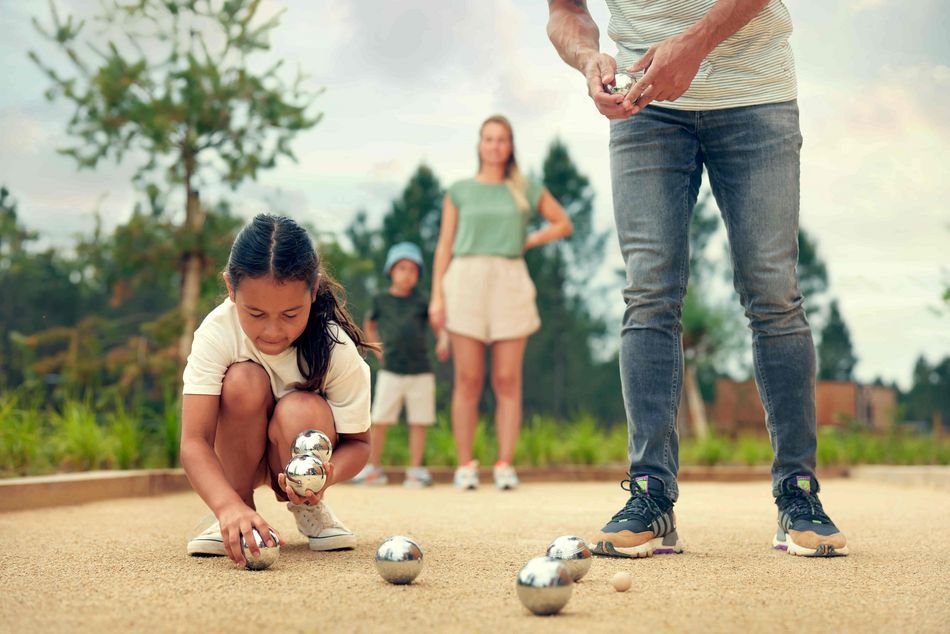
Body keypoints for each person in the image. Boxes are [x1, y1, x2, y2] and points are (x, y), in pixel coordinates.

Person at [547, 0, 848, 557]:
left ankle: (797, 493)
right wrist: (588, 57)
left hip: (756, 94)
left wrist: (698, 41)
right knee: (648, 294)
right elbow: (565, 11)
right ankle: (651, 494)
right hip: (644, 107)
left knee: (773, 293)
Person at [180, 213, 374, 567]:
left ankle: (308, 508)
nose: (272, 331)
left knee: (301, 407)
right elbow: (194, 441)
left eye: (290, 314)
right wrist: (225, 506)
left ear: (313, 291)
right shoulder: (216, 333)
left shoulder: (335, 348)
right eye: (255, 313)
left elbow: (359, 445)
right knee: (242, 381)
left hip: (294, 455)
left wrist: (326, 477)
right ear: (230, 288)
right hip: (238, 455)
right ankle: (238, 509)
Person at [429, 114, 573, 491]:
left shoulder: (525, 188)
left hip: (510, 278)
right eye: (488, 139)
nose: (495, 146)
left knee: (507, 378)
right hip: (465, 278)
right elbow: (444, 245)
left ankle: (505, 463)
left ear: (510, 146)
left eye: (502, 140)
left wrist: (528, 241)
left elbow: (562, 223)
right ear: (480, 145)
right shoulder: (459, 190)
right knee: (468, 378)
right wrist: (436, 296)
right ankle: (465, 465)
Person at [355, 241, 446, 488]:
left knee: (419, 421)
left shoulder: (423, 301)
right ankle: (373, 468)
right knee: (380, 419)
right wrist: (376, 347)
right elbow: (370, 324)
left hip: (420, 369)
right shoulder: (380, 299)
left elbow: (438, 325)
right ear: (391, 271)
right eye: (402, 268)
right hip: (391, 369)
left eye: (413, 270)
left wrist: (443, 340)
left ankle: (415, 470)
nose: (408, 274)